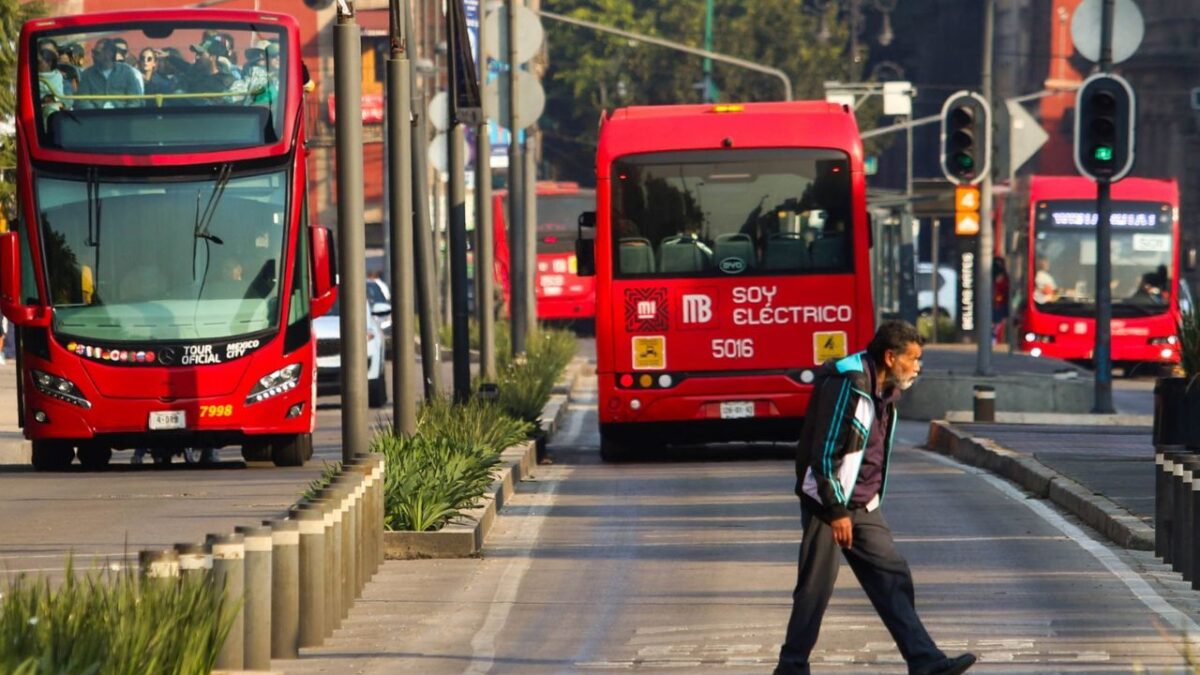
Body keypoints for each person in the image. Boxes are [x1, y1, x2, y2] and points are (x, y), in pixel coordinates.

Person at [775, 320, 977, 675]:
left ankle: (924, 660)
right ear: (889, 356)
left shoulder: (886, 391)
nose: (918, 367)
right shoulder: (848, 384)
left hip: (863, 502)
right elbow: (823, 454)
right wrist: (835, 510)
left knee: (893, 577)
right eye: (913, 359)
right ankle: (791, 668)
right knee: (816, 588)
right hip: (828, 503)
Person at [76, 38, 144, 109]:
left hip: (123, 117)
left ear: (109, 53)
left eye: (97, 53)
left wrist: (125, 115)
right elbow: (83, 101)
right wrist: (95, 114)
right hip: (95, 118)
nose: (93, 55)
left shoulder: (127, 72)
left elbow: (134, 101)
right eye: (93, 52)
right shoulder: (87, 74)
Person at [992, 256, 1010, 343]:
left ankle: (995, 336)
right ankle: (994, 336)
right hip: (998, 302)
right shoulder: (1002, 277)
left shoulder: (1003, 278)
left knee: (998, 319)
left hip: (999, 302)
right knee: (997, 319)